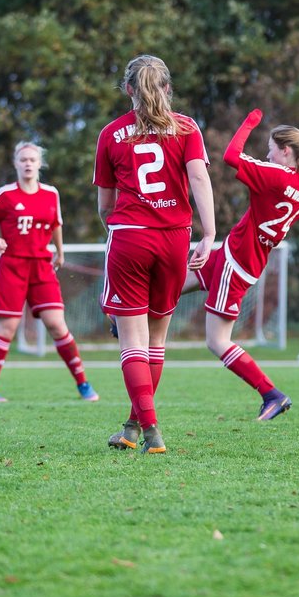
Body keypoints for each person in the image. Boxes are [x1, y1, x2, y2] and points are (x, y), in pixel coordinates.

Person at [95, 54, 215, 455]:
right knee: (157, 340)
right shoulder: (186, 127)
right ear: (167, 87)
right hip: (174, 238)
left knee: (131, 339)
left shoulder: (111, 133)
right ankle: (132, 427)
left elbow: (104, 204)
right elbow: (198, 176)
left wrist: (113, 228)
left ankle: (152, 433)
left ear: (128, 89)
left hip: (130, 236)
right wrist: (209, 232)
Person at [182, 110, 299, 420]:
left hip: (236, 263)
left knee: (217, 341)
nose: (267, 155)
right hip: (236, 255)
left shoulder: (276, 176)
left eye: (270, 149)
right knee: (178, 279)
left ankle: (271, 394)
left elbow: (231, 155)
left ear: (285, 151)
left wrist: (249, 122)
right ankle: (127, 316)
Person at [0, 141, 97, 403]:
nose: (28, 163)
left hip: (42, 266)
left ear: (40, 164)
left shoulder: (51, 194)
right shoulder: (5, 195)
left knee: (57, 325)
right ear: (16, 164)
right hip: (11, 265)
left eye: (32, 159)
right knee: (7, 328)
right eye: (23, 160)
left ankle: (83, 384)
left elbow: (56, 224)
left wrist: (60, 252)